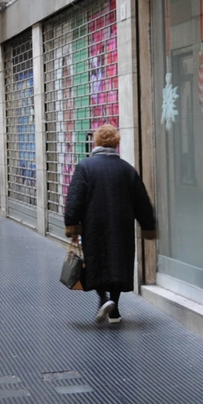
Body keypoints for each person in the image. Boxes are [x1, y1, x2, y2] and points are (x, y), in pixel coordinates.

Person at [63, 125, 157, 325]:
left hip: (93, 223)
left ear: (95, 143)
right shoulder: (126, 169)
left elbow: (74, 198)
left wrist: (72, 224)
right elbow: (142, 200)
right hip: (121, 224)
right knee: (118, 261)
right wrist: (148, 225)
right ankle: (114, 306)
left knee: (96, 261)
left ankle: (103, 299)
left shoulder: (85, 167)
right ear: (116, 144)